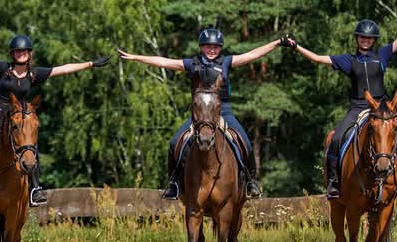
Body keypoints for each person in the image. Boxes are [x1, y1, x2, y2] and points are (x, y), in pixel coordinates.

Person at [0, 35, 110, 206]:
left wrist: (91, 64)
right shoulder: (2, 68)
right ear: (12, 54)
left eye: (24, 51)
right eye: (17, 51)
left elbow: (63, 69)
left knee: (31, 147)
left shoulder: (34, 74)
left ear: (29, 53)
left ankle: (35, 189)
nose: (21, 54)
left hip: (15, 119)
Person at [119, 28, 283, 200]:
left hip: (223, 111)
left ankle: (251, 183)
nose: (212, 50)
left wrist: (277, 43)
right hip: (199, 114)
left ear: (220, 48)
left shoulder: (226, 62)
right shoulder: (192, 63)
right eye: (208, 46)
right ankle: (174, 183)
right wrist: (136, 57)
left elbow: (253, 54)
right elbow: (164, 62)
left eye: (216, 47)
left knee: (246, 143)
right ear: (201, 47)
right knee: (174, 142)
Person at [287, 16, 397, 200]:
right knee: (336, 140)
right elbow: (318, 59)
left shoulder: (382, 55)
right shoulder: (347, 60)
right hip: (358, 107)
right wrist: (296, 46)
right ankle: (334, 183)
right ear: (356, 38)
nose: (365, 40)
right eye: (361, 37)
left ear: (374, 40)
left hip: (381, 110)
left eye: (369, 38)